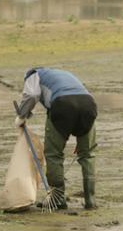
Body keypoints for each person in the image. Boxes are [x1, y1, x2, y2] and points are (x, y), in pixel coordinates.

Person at [15, 67, 97, 210]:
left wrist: (21, 116)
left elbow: (32, 95)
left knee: (54, 155)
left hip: (62, 105)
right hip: (88, 104)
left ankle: (57, 199)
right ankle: (91, 200)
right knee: (87, 155)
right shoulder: (64, 74)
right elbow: (79, 95)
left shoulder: (33, 75)